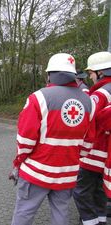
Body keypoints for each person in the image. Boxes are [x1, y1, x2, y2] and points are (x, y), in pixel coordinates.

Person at [9, 53, 95, 225]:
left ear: (50, 74)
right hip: (67, 174)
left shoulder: (38, 98)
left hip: (36, 173)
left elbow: (25, 141)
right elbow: (87, 144)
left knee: (24, 213)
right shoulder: (88, 102)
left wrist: (18, 162)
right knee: (61, 214)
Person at [73, 51, 111, 225]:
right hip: (106, 157)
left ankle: (90, 222)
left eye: (91, 73)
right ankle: (101, 221)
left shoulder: (101, 93)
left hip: (94, 153)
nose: (89, 77)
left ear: (101, 72)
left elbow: (87, 120)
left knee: (80, 191)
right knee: (99, 191)